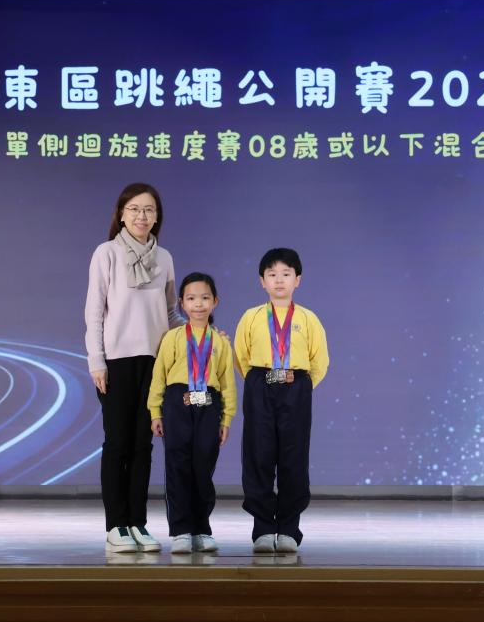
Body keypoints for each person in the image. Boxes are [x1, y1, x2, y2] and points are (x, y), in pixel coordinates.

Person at [85, 182, 184, 553]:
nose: (142, 216)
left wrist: (200, 333)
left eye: (149, 210)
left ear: (157, 217)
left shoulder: (165, 258)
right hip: (116, 362)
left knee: (143, 445)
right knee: (118, 444)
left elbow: (171, 313)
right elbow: (94, 313)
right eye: (135, 209)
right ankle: (116, 525)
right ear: (121, 214)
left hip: (155, 362)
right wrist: (97, 360)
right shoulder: (107, 253)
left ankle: (138, 523)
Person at [233, 248, 329, 554]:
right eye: (272, 274)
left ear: (297, 280)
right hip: (260, 385)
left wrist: (301, 386)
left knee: (293, 456)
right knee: (258, 453)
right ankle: (262, 528)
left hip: (295, 387)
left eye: (286, 274)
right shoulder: (251, 317)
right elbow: (241, 356)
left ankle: (289, 528)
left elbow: (320, 361)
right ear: (262, 281)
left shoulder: (308, 319)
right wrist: (258, 381)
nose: (279, 280)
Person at [148, 272, 237, 554]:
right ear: (182, 304)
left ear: (215, 302)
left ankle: (201, 529)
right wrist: (155, 412)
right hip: (177, 403)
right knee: (177, 465)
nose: (198, 304)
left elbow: (227, 383)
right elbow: (159, 376)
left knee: (203, 466)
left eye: (204, 298)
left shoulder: (220, 342)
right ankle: (181, 530)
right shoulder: (173, 337)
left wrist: (226, 418)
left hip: (209, 405)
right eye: (191, 298)